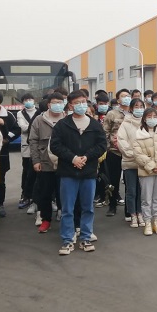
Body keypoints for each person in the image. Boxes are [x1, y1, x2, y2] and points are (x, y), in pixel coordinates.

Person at [50, 90, 107, 256]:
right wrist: (73, 158)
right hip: (68, 172)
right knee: (67, 209)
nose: (81, 105)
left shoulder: (94, 125)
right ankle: (67, 240)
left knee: (88, 207)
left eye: (83, 101)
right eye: (77, 102)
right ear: (70, 105)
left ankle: (86, 237)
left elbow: (101, 145)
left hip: (89, 172)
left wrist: (86, 157)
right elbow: (55, 146)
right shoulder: (62, 125)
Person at [29, 92, 65, 233]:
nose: (57, 105)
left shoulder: (68, 119)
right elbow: (33, 141)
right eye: (55, 103)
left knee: (64, 192)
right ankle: (46, 220)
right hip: (45, 162)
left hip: (64, 162)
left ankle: (63, 214)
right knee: (45, 193)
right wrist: (36, 160)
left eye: (60, 103)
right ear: (49, 104)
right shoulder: (39, 120)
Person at [133, 107, 157, 235]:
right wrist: (151, 166)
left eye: (154, 117)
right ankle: (147, 222)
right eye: (149, 117)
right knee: (146, 198)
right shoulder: (138, 134)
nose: (152, 119)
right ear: (144, 119)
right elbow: (138, 154)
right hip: (146, 171)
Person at [0, 90, 20, 218]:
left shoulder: (7, 115)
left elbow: (16, 130)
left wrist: (6, 139)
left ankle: (0, 205)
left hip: (2, 153)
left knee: (0, 180)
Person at [117, 98, 146, 228]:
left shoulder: (146, 122)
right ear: (131, 109)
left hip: (144, 163)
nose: (139, 109)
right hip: (130, 162)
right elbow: (121, 141)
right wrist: (134, 154)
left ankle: (140, 213)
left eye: (141, 106)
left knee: (141, 191)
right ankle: (132, 214)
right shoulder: (126, 123)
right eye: (136, 106)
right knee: (131, 190)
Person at [102, 88, 131, 216]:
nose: (126, 98)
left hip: (130, 153)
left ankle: (130, 208)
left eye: (128, 95)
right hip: (114, 152)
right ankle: (112, 205)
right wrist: (109, 145)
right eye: (123, 96)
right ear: (118, 100)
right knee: (113, 180)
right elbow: (105, 132)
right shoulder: (112, 114)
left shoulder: (134, 113)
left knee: (130, 181)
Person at [17, 92, 39, 210]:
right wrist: (35, 127)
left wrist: (31, 127)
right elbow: (23, 127)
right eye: (26, 100)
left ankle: (35, 195)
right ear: (23, 102)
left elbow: (28, 127)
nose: (28, 101)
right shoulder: (20, 113)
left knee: (37, 171)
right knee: (26, 171)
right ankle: (25, 194)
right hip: (26, 145)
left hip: (38, 145)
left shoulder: (39, 111)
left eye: (30, 99)